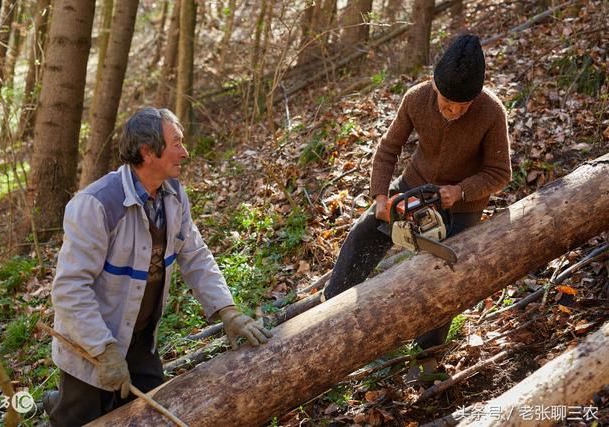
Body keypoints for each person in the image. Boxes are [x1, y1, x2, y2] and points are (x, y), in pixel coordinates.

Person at [42, 107, 273, 426]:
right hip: (90, 346)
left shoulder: (174, 195)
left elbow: (195, 255)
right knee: (78, 420)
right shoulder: (96, 205)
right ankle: (57, 406)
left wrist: (227, 311)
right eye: (176, 143)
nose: (185, 152)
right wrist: (104, 349)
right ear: (147, 151)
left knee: (154, 417)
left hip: (139, 341)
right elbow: (69, 289)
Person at [322, 35, 511, 352]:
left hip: (462, 203)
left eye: (461, 106)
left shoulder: (492, 112)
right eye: (445, 102)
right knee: (364, 233)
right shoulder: (416, 98)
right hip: (416, 184)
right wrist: (381, 197)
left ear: (475, 98)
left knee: (448, 271)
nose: (451, 111)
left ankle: (428, 353)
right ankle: (331, 306)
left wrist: (461, 191)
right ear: (435, 86)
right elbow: (387, 151)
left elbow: (499, 173)